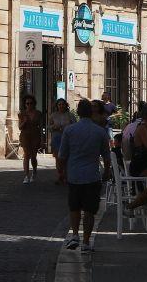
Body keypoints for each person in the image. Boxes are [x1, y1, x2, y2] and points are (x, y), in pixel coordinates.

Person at [58, 99, 112, 254]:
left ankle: (75, 235)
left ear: (78, 113)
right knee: (89, 210)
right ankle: (86, 242)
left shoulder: (69, 130)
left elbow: (62, 155)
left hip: (74, 174)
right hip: (92, 175)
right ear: (91, 112)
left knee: (74, 207)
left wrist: (61, 172)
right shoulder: (99, 131)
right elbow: (107, 156)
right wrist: (107, 172)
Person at [49, 99, 77, 184]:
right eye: (59, 104)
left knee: (66, 158)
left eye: (62, 104)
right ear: (57, 106)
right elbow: (49, 127)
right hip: (56, 138)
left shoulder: (70, 115)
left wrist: (67, 128)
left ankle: (66, 175)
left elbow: (75, 126)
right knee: (58, 158)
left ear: (66, 105)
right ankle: (60, 175)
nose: (61, 106)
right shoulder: (53, 115)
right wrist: (53, 127)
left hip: (68, 138)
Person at [18, 96, 43, 184]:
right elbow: (20, 127)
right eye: (27, 103)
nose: (29, 105)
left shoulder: (38, 113)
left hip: (35, 136)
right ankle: (26, 176)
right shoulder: (22, 114)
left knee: (33, 156)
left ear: (34, 104)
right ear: (25, 104)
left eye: (31, 103)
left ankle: (34, 171)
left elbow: (40, 127)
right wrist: (24, 121)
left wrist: (42, 140)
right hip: (25, 136)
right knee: (26, 156)